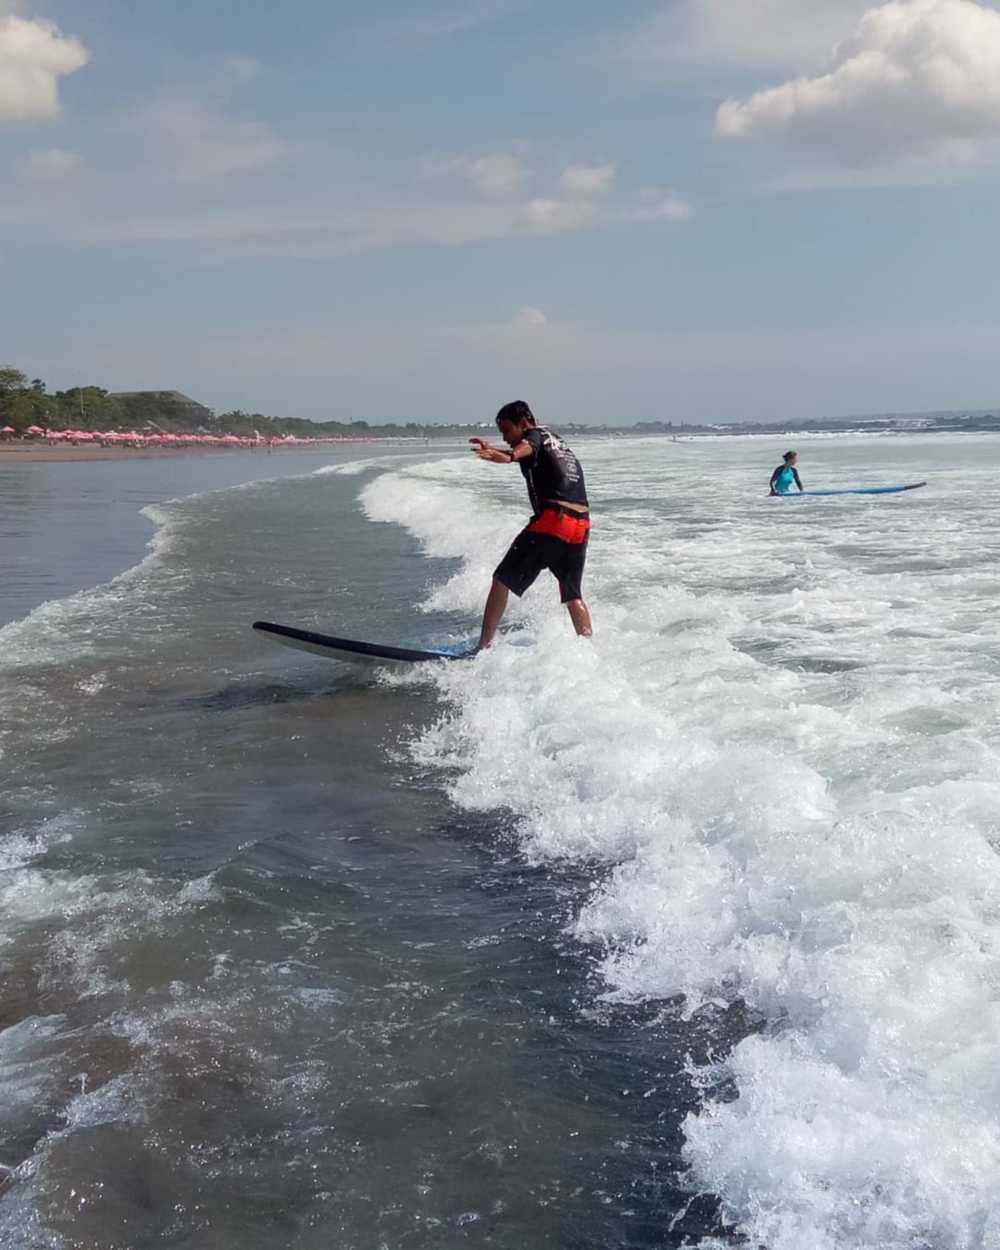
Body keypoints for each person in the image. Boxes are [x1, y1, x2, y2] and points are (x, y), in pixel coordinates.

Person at [470, 400, 592, 650]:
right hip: (581, 524)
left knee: (501, 579)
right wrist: (501, 452)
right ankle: (588, 652)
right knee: (573, 594)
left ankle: (482, 649)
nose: (504, 437)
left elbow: (526, 447)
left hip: (554, 521)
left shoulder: (533, 436)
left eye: (506, 430)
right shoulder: (556, 440)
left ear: (523, 423)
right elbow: (529, 449)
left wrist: (509, 457)